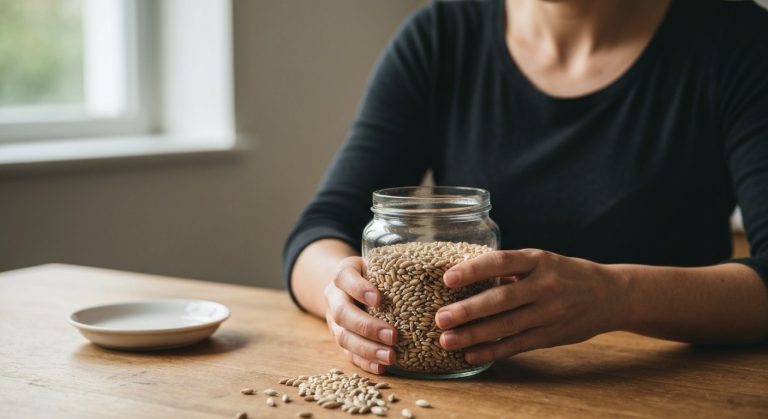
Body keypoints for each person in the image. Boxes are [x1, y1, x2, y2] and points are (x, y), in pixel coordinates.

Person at [283, 0, 768, 375]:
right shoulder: (441, 37)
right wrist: (341, 295)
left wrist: (618, 295)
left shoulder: (738, 41)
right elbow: (320, 231)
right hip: (478, 387)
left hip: (679, 383)